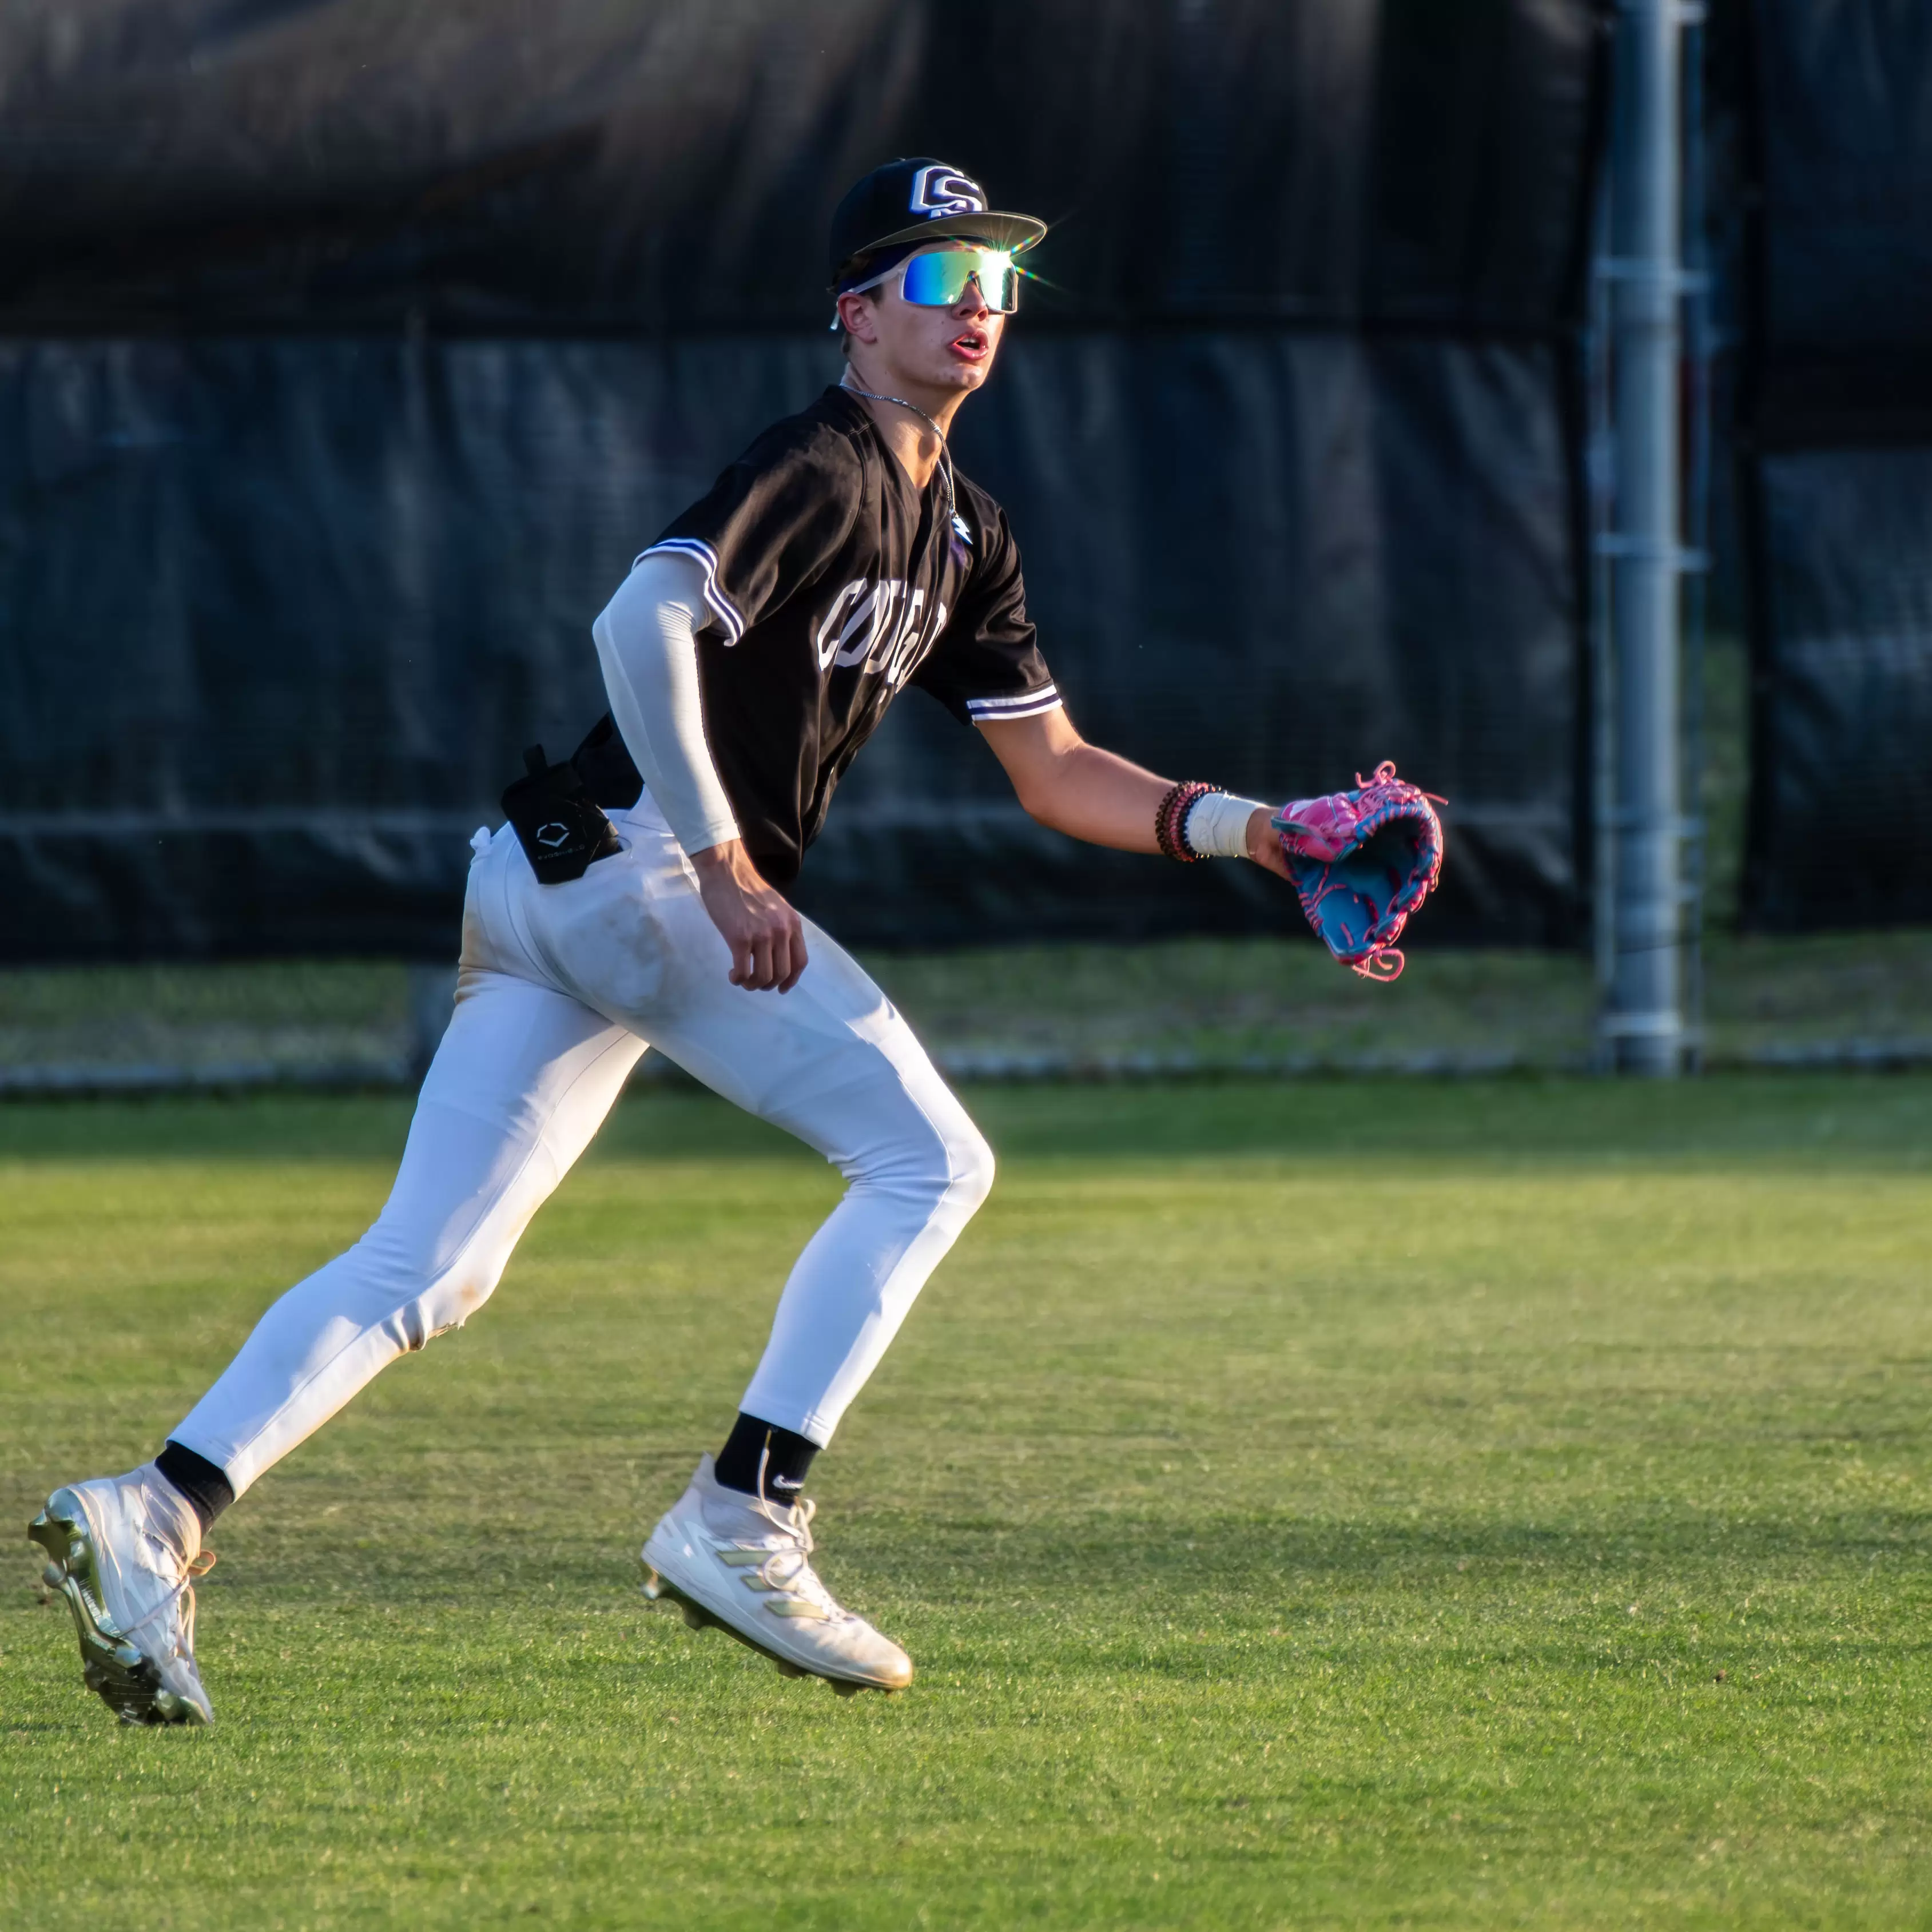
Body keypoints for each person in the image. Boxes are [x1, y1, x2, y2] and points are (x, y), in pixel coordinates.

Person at [28, 158, 1298, 1724]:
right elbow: (637, 620)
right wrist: (721, 862)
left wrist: (1260, 829)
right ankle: (745, 1514)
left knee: (433, 1266)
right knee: (928, 1164)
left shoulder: (966, 531)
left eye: (996, 282)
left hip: (551, 882)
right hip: (639, 871)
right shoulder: (826, 462)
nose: (974, 307)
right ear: (856, 312)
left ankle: (155, 1509)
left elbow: (1054, 768)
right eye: (933, 276)